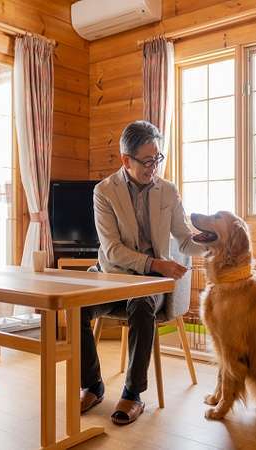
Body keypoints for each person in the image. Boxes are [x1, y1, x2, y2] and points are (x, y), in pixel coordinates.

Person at [80, 120, 206, 425]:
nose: (154, 167)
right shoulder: (104, 192)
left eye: (157, 159)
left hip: (150, 284)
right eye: (147, 160)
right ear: (126, 160)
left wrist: (215, 241)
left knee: (140, 304)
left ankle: (133, 393)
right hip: (111, 275)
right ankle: (93, 384)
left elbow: (186, 240)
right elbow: (112, 251)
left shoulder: (168, 191)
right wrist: (157, 264)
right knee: (77, 307)